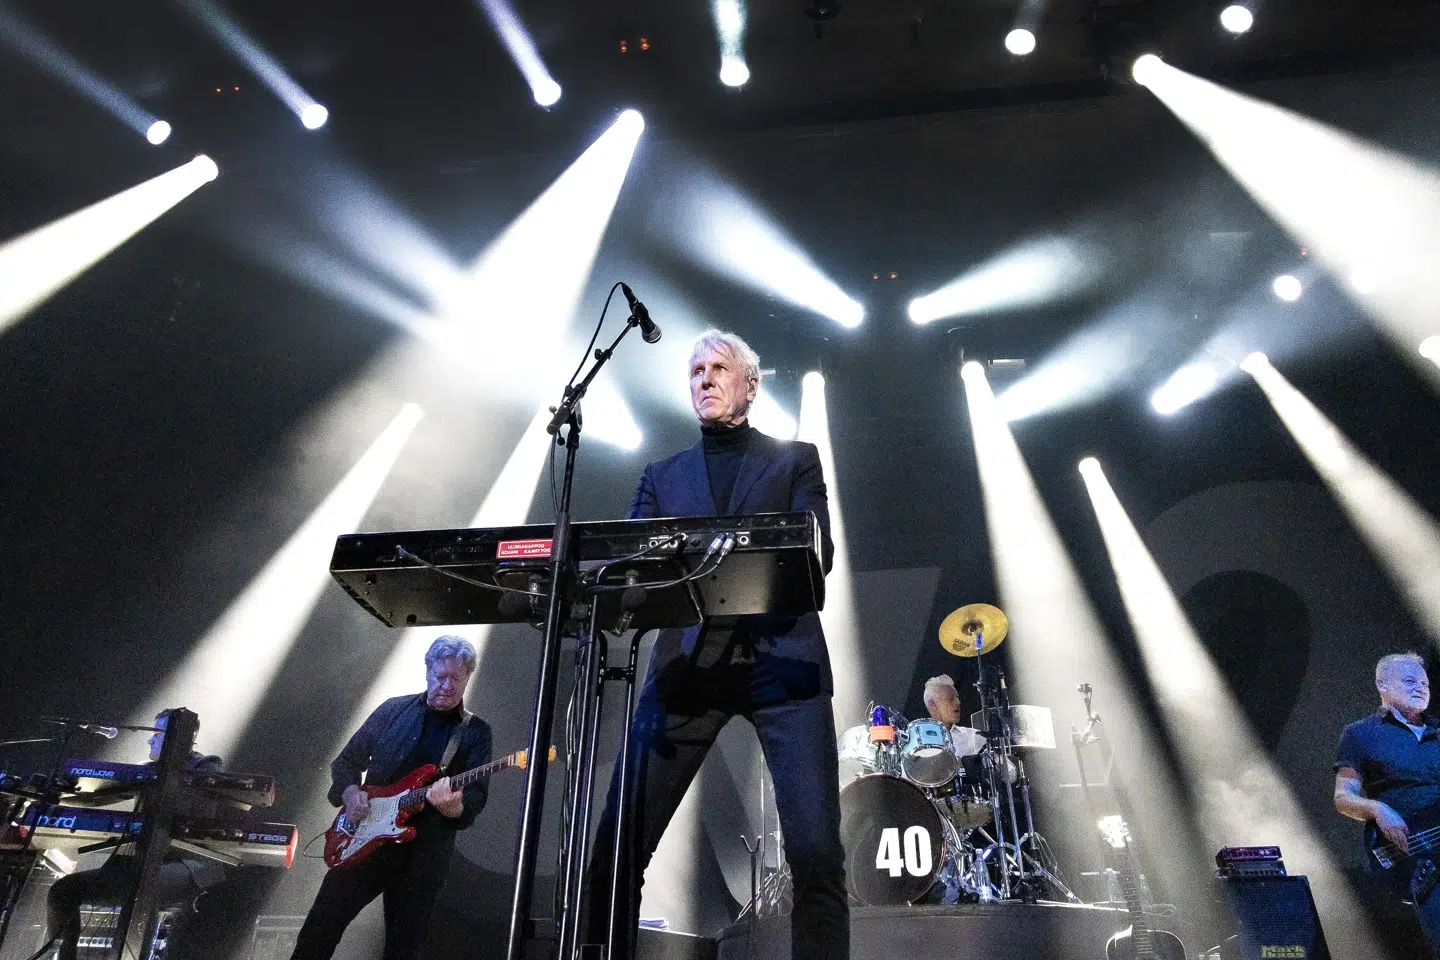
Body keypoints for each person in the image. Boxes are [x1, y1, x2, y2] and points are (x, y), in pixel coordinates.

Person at [587, 329, 848, 960]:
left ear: (750, 386)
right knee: (615, 849)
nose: (704, 378)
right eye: (695, 370)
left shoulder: (796, 459)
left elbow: (819, 553)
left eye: (719, 368)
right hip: (686, 670)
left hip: (783, 667)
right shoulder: (661, 476)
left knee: (816, 854)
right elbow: (630, 571)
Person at [291, 635, 492, 960]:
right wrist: (351, 793)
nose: (446, 685)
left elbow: (476, 797)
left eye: (456, 678)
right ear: (427, 671)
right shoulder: (393, 710)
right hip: (363, 841)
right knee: (318, 932)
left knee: (403, 951)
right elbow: (346, 762)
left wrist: (454, 806)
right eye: (440, 675)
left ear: (468, 677)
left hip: (422, 859)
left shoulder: (475, 732)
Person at [45, 708, 224, 960]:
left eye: (156, 734)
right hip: (141, 863)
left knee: (144, 886)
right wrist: (55, 795)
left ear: (179, 737)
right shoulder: (147, 770)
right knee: (63, 891)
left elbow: (195, 808)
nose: (150, 740)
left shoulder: (206, 765)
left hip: (186, 864)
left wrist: (159, 773)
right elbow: (98, 796)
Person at [1335, 651, 1440, 956]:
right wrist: (1378, 810)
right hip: (1415, 859)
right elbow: (1343, 798)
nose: (1421, 688)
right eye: (1410, 681)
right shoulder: (1361, 734)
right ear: (1382, 684)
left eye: (1425, 683)